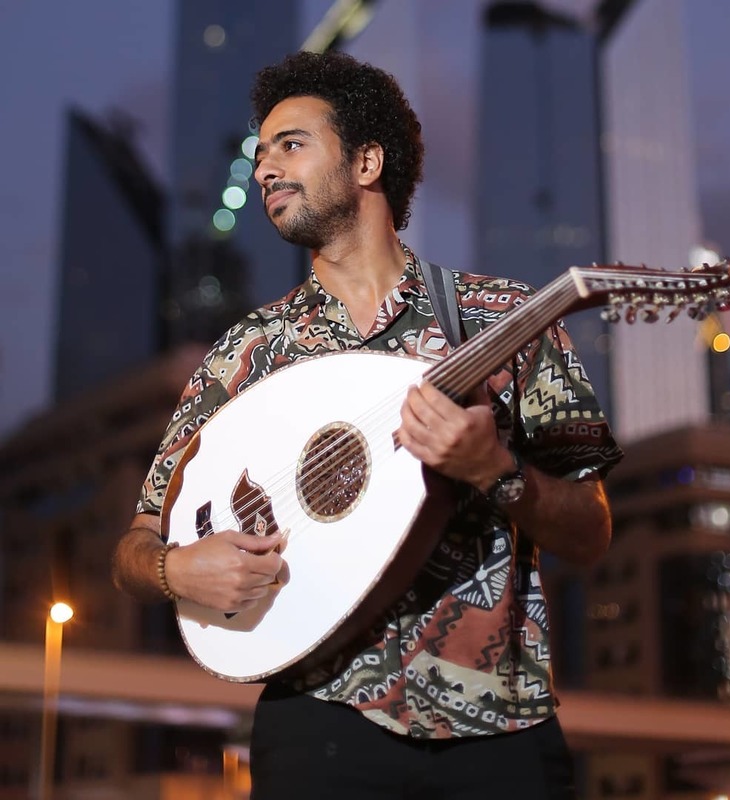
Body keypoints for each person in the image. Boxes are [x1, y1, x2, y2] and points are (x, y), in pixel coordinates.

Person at [112, 50, 623, 799]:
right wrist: (175, 569)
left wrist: (496, 472)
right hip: (316, 728)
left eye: (291, 144)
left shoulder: (502, 320)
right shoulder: (248, 353)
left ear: (367, 162)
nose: (264, 169)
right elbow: (137, 542)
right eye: (260, 154)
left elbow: (592, 532)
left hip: (499, 731)